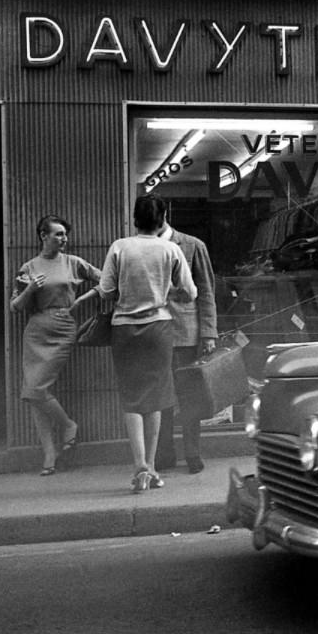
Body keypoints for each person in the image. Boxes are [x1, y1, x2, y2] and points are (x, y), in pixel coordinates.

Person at [98, 194, 197, 493]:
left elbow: (105, 291)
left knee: (131, 397)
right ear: (163, 217)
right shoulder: (171, 249)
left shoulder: (120, 246)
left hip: (124, 330)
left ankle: (139, 464)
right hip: (159, 328)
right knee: (156, 397)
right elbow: (190, 292)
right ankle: (151, 467)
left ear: (134, 218)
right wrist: (167, 293)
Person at [10, 214, 101, 476]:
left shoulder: (74, 263)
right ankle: (50, 453)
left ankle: (68, 425)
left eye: (65, 234)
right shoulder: (28, 267)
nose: (64, 239)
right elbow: (15, 307)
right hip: (36, 330)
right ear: (43, 236)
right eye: (58, 234)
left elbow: (106, 279)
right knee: (33, 392)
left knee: (36, 389)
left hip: (63, 328)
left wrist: (84, 298)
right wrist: (29, 290)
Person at [154, 218, 218, 475]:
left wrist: (208, 332)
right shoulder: (142, 246)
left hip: (186, 334)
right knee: (161, 397)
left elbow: (206, 290)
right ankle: (165, 452)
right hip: (154, 332)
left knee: (189, 396)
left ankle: (192, 452)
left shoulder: (192, 245)